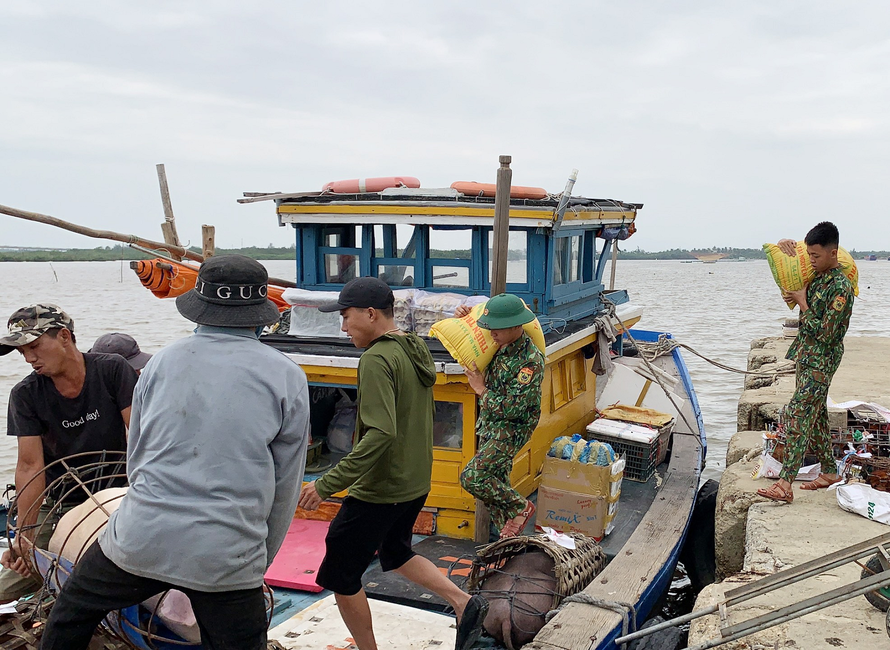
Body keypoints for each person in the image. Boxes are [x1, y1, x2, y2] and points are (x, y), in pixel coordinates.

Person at [39, 255, 311, 650]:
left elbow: (139, 454)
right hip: (226, 551)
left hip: (141, 537)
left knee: (72, 610)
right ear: (259, 315)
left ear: (198, 309)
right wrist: (257, 562)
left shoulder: (161, 361)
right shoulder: (286, 374)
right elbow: (285, 484)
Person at [298, 277, 487, 650]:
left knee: (341, 573)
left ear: (370, 314)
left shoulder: (376, 358)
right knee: (396, 552)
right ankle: (464, 602)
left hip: (381, 489)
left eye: (346, 316)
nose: (342, 326)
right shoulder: (413, 347)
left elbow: (380, 433)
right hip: (414, 483)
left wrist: (325, 483)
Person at [0, 304, 136, 603]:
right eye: (22, 351)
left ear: (64, 336)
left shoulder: (112, 370)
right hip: (64, 501)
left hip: (123, 494)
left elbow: (143, 437)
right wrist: (25, 535)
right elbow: (29, 466)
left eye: (34, 346)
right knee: (8, 585)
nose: (29, 358)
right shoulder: (25, 395)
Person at [757, 222, 854, 503]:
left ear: (833, 253)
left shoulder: (840, 287)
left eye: (816, 256)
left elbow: (827, 333)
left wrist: (803, 303)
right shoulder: (817, 275)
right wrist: (788, 243)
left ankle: (784, 483)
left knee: (799, 414)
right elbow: (795, 259)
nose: (811, 260)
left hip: (822, 359)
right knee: (817, 414)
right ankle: (829, 471)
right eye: (809, 255)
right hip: (806, 355)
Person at [455, 294, 544, 539]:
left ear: (516, 326)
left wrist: (480, 389)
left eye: (498, 328)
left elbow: (513, 409)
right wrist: (465, 319)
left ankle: (520, 507)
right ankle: (507, 544)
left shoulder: (529, 362)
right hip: (490, 425)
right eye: (489, 327)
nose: (491, 332)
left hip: (511, 429)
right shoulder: (495, 344)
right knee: (496, 490)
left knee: (474, 477)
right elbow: (473, 334)